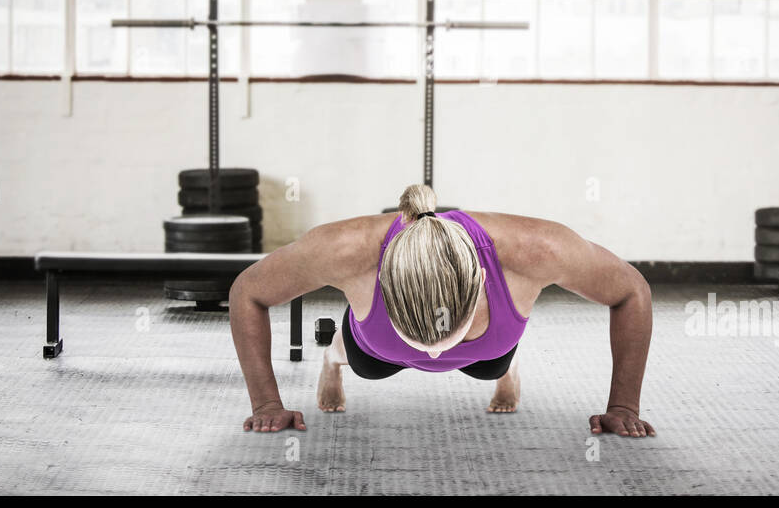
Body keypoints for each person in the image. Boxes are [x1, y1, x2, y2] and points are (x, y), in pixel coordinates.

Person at [229, 184, 655, 438]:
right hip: (376, 349)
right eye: (418, 338)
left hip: (489, 349)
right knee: (365, 365)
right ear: (382, 278)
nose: (432, 356)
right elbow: (248, 292)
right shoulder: (346, 251)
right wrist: (267, 403)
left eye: (443, 339)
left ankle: (505, 364)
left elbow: (631, 291)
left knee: (491, 365)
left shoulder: (537, 249)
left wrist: (624, 406)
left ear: (480, 285)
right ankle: (333, 358)